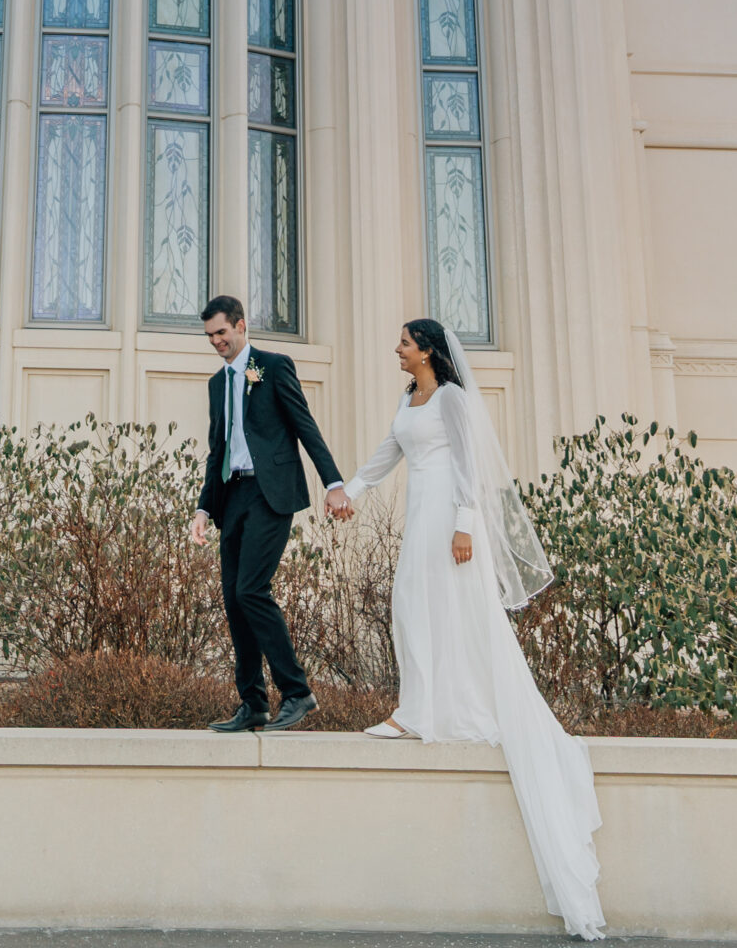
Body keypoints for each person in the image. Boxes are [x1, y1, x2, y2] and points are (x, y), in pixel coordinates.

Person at [340, 319, 606, 941]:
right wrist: (347, 489)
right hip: (419, 513)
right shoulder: (410, 399)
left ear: (428, 349)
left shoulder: (453, 399)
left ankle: (427, 708)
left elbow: (467, 464)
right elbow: (388, 452)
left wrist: (465, 524)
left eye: (405, 341)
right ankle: (420, 705)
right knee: (412, 604)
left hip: (450, 518)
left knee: (452, 611)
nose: (397, 350)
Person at [189, 291, 353, 732]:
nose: (216, 342)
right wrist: (204, 508)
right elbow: (216, 450)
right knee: (233, 599)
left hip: (271, 492)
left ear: (241, 326)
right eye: (209, 336)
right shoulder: (216, 383)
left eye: (221, 332)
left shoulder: (274, 366)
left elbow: (305, 426)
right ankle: (254, 704)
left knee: (250, 590)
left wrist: (334, 484)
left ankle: (297, 692)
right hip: (232, 495)